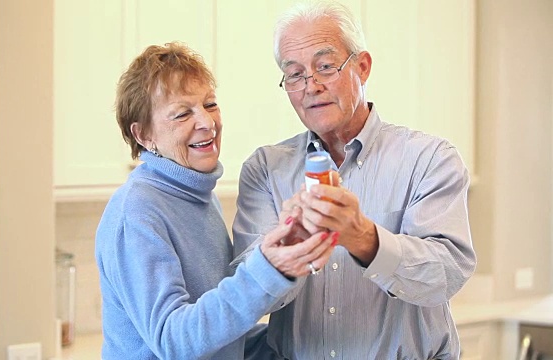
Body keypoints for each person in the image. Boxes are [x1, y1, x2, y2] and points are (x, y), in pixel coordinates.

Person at [232, 1, 477, 359]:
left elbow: (446, 274)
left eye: (325, 66)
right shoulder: (264, 170)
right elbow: (245, 295)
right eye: (295, 74)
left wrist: (363, 237)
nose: (310, 86)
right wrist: (284, 254)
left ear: (362, 67)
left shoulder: (430, 158)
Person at [95, 42, 337, 360]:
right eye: (182, 113)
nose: (207, 123)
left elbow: (218, 337)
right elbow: (175, 341)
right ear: (144, 135)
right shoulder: (138, 211)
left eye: (209, 105)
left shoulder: (197, 199)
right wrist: (266, 267)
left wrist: (293, 340)